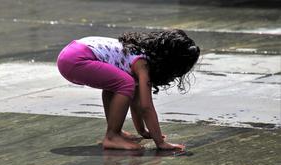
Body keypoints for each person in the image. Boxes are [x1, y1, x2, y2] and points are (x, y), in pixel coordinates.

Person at [57, 29, 200, 150]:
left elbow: (137, 103)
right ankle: (112, 136)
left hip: (70, 54)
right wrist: (160, 142)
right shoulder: (142, 65)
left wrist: (142, 131)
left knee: (116, 85)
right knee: (125, 83)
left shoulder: (136, 54)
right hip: (77, 59)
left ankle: (115, 132)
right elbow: (146, 107)